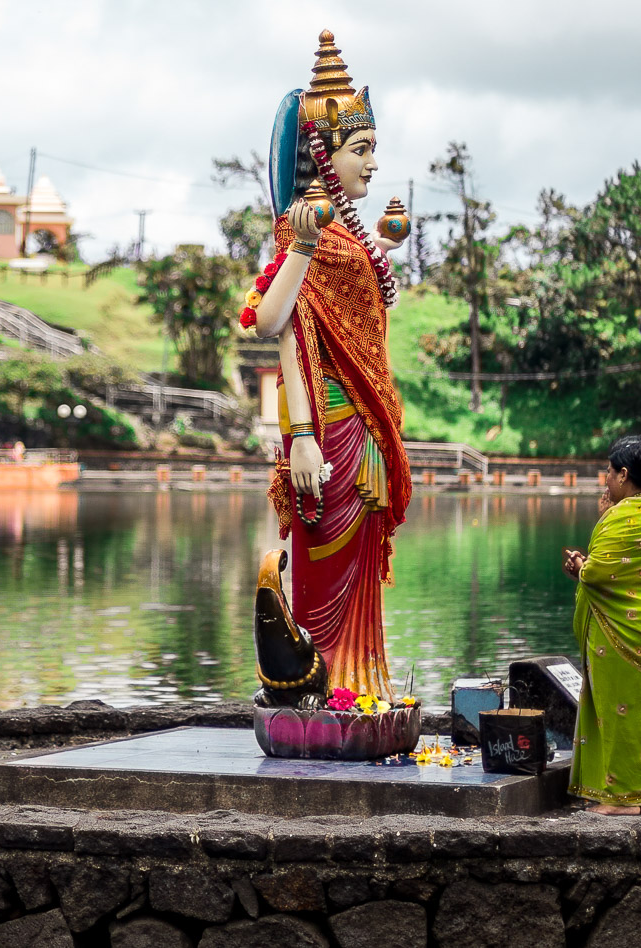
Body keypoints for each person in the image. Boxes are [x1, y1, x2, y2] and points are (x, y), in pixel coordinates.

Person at [246, 30, 412, 700]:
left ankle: (360, 689)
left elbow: (362, 318)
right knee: (322, 579)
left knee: (362, 582)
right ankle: (320, 692)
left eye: (374, 149)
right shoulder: (304, 232)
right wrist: (305, 436)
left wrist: (384, 247)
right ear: (323, 155)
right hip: (328, 435)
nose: (372, 164)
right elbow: (276, 326)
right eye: (361, 150)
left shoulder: (349, 240)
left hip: (366, 437)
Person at [561, 435, 641, 816]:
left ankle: (622, 801)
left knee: (616, 710)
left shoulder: (622, 516)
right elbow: (622, 572)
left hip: (622, 634)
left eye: (609, 472)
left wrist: (580, 567)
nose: (605, 479)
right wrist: (588, 567)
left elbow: (599, 572)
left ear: (624, 474)